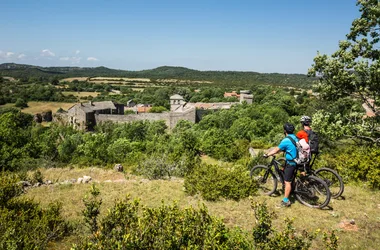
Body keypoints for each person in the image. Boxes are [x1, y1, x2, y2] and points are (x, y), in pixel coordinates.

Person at [264, 123, 298, 207]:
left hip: (291, 163)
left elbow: (276, 149)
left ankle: (285, 201)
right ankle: (292, 190)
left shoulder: (286, 140)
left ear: (285, 131)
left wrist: (268, 154)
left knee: (287, 182)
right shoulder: (295, 137)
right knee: (287, 174)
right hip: (297, 161)